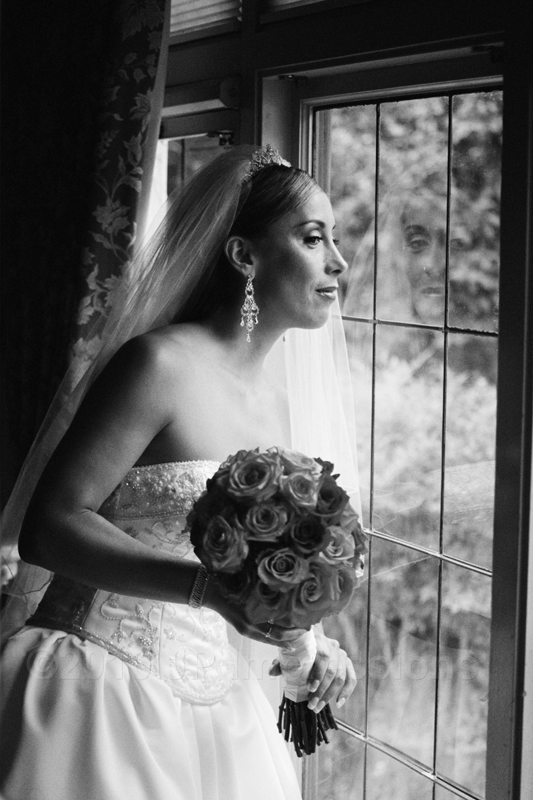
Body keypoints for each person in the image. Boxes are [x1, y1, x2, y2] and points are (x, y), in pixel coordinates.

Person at [0, 145, 360, 800]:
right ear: (243, 256)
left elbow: (257, 570)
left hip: (221, 716)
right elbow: (48, 529)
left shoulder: (282, 408)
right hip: (98, 690)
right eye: (313, 238)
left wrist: (306, 638)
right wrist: (205, 591)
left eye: (334, 239)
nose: (337, 261)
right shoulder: (157, 366)